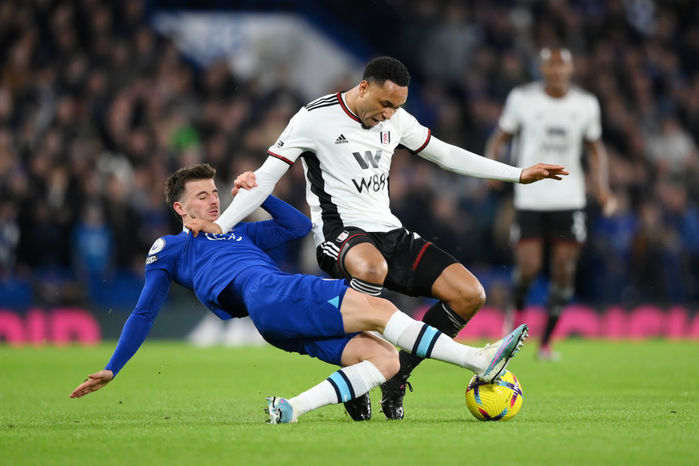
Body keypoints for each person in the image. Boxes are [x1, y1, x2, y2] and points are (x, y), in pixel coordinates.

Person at [185, 56, 566, 421]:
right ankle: (362, 367)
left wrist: (517, 174)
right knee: (372, 267)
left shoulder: (396, 119)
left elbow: (445, 154)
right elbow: (264, 177)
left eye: (396, 107)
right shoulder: (313, 118)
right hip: (340, 235)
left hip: (391, 231)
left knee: (470, 294)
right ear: (363, 87)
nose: (388, 114)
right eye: (384, 103)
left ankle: (396, 375)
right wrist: (223, 226)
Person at [69, 163, 530, 424]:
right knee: (380, 307)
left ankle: (290, 409)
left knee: (386, 360)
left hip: (273, 320)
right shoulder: (169, 249)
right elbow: (144, 312)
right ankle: (477, 360)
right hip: (270, 292)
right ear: (179, 207)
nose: (213, 200)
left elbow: (297, 225)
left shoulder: (238, 234)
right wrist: (113, 367)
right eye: (202, 196)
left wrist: (259, 192)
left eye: (215, 192)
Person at [484, 47, 616, 360]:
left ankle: (546, 343)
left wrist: (602, 187)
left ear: (571, 70)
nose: (556, 72)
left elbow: (596, 149)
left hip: (569, 198)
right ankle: (514, 319)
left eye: (562, 67)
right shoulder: (522, 99)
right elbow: (500, 136)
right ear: (542, 69)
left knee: (563, 270)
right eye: (551, 67)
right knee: (529, 267)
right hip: (530, 196)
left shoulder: (585, 104)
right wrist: (493, 167)